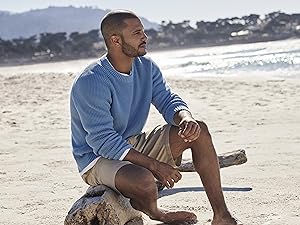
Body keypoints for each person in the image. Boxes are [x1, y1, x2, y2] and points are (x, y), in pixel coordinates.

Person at [70, 9, 241, 225]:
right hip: (96, 158)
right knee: (143, 180)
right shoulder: (91, 81)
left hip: (130, 143)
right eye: (137, 33)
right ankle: (155, 212)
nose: (145, 37)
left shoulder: (146, 67)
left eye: (143, 31)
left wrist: (185, 118)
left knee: (199, 130)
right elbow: (102, 141)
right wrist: (154, 165)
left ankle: (222, 216)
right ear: (115, 40)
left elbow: (168, 100)